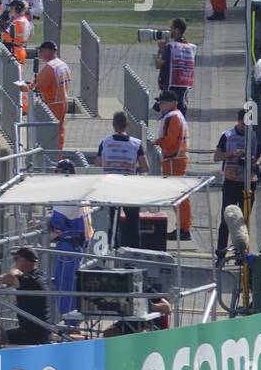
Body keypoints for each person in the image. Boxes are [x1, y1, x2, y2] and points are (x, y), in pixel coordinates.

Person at [215, 108, 261, 261]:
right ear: (238, 121)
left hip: (248, 183)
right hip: (231, 182)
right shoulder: (227, 136)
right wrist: (232, 154)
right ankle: (221, 252)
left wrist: (252, 162)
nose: (245, 127)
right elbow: (216, 156)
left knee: (245, 219)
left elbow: (258, 157)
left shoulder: (254, 136)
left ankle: (242, 254)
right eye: (243, 124)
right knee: (226, 218)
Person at [96, 111, 147, 248]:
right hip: (129, 187)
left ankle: (112, 249)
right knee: (133, 223)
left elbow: (98, 164)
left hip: (110, 186)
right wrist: (135, 170)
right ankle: (134, 253)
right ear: (127, 125)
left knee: (112, 222)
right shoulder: (136, 144)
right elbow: (145, 167)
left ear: (113, 125)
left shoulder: (105, 143)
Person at [48, 159, 91, 319]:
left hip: (67, 246)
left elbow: (56, 224)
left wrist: (47, 226)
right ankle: (70, 322)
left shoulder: (68, 194)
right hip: (77, 245)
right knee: (71, 285)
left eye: (58, 172)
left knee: (64, 286)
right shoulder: (81, 192)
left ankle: (69, 325)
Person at [0, 248, 51, 348]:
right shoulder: (39, 275)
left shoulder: (28, 281)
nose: (15, 262)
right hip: (43, 330)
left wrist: (15, 271)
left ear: (24, 261)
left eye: (16, 259)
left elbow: (3, 279)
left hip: (32, 333)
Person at [154, 90, 193, 241]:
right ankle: (183, 227)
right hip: (176, 159)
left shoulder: (173, 117)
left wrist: (158, 142)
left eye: (163, 102)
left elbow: (170, 141)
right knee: (180, 195)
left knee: (180, 196)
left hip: (173, 160)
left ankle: (184, 229)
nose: (160, 105)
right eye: (160, 102)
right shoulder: (175, 116)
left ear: (173, 102)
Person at [28, 40, 71, 149]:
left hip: (52, 105)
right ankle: (58, 157)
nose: (39, 53)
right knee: (59, 133)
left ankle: (49, 157)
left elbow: (39, 87)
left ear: (47, 51)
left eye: (41, 51)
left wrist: (26, 87)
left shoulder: (50, 67)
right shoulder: (63, 65)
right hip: (63, 103)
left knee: (48, 134)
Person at [154, 17, 195, 115]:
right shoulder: (189, 47)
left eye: (171, 28)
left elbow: (158, 64)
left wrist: (160, 50)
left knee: (169, 118)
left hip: (170, 89)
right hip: (183, 88)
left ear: (176, 30)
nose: (169, 31)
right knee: (181, 117)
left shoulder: (171, 47)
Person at [1, 0, 33, 64]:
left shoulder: (18, 22)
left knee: (11, 73)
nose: (10, 10)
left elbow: (5, 38)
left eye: (12, 8)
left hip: (14, 52)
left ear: (17, 9)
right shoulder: (25, 20)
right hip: (20, 50)